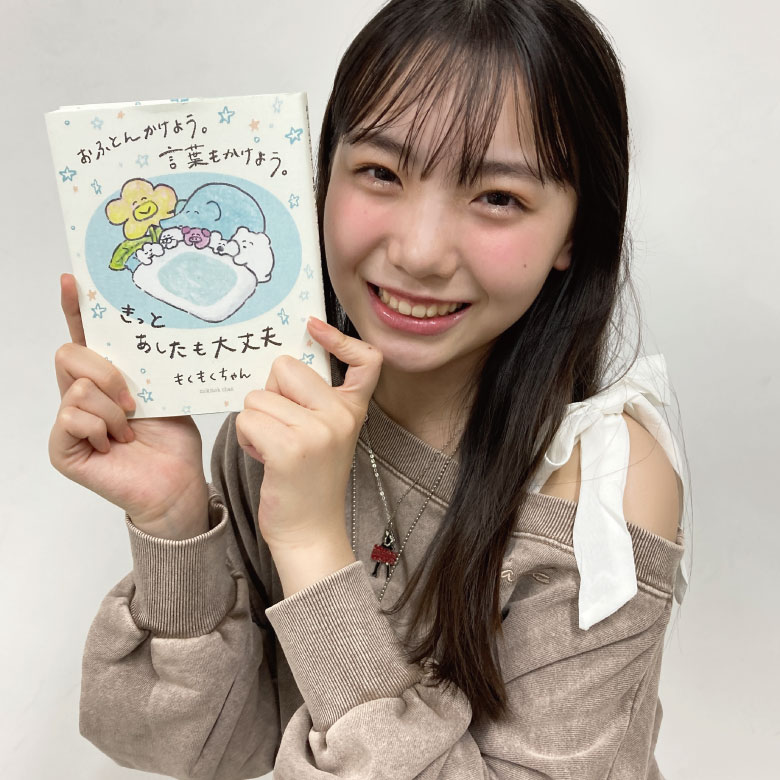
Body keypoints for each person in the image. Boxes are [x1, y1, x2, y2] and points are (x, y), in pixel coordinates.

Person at [49, 0, 689, 777]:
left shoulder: (604, 484)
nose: (419, 252)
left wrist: (313, 545)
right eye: (381, 173)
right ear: (319, 178)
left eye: (499, 197)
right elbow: (209, 747)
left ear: (575, 234)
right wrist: (176, 517)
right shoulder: (289, 425)